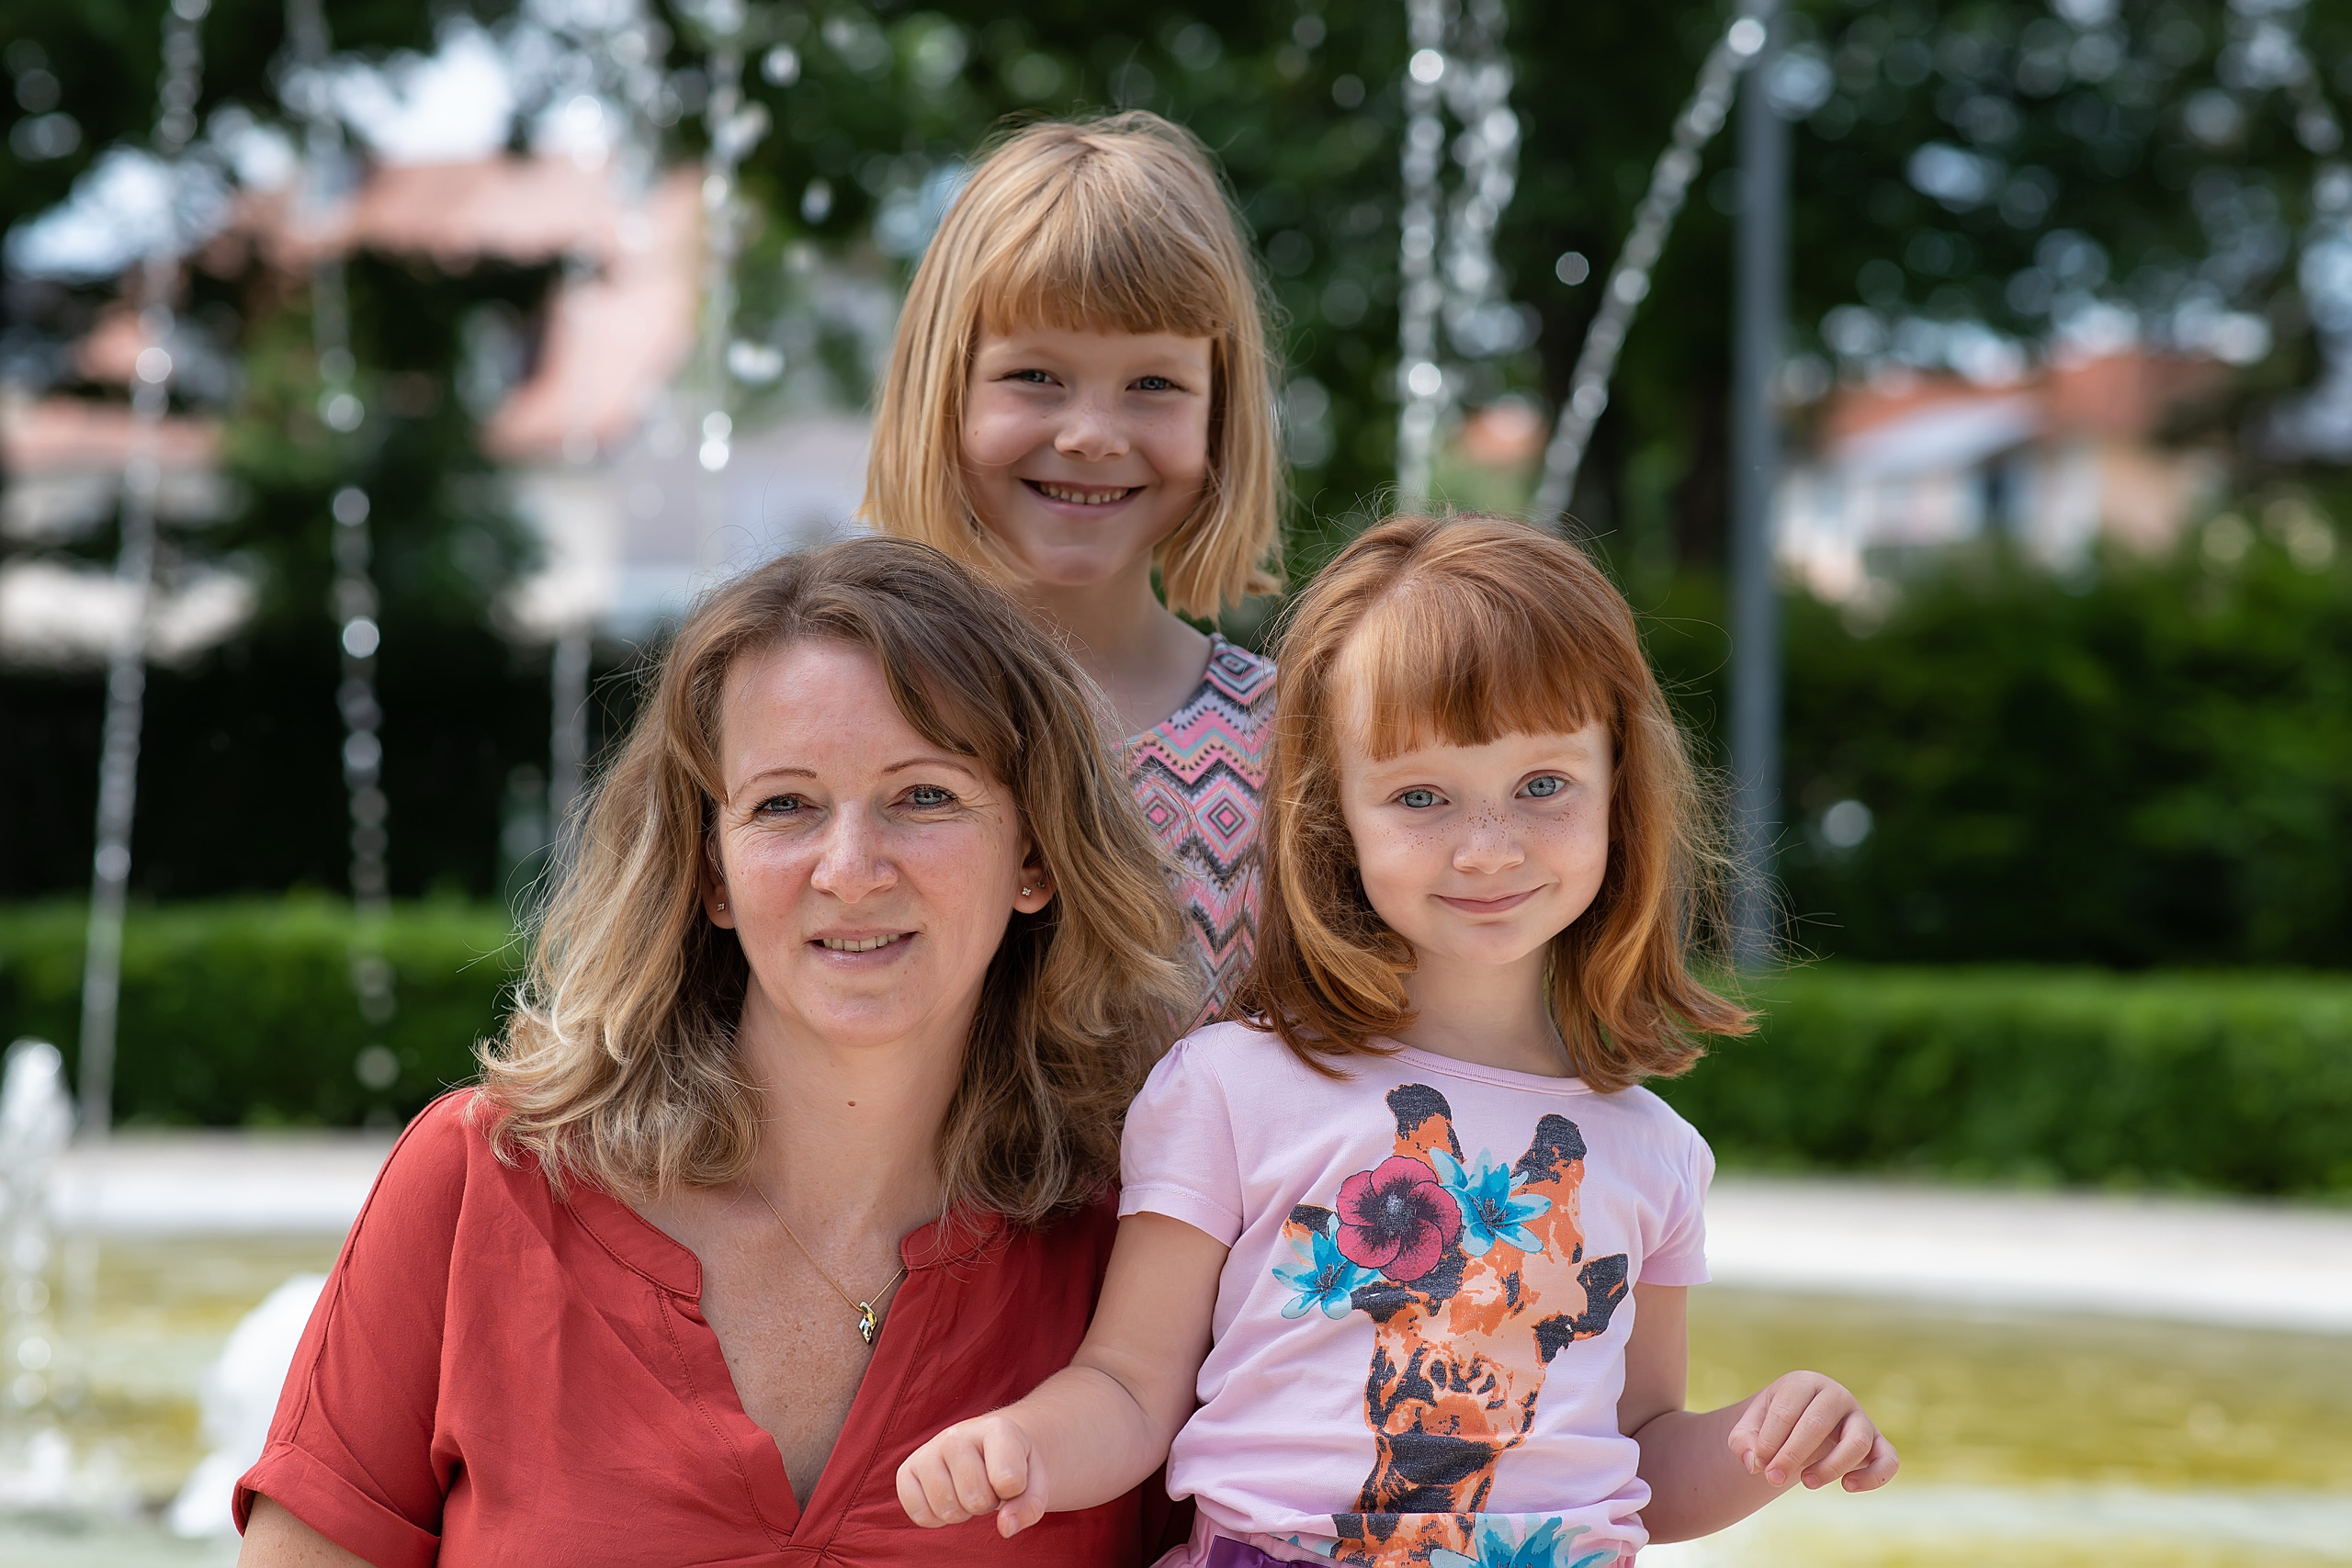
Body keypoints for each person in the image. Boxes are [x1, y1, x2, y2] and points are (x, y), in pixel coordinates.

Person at [894, 515, 1901, 1566]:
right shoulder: (1231, 1087)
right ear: (1333, 813)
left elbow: (1638, 1458)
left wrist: (1772, 1440)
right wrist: (1023, 1445)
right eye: (1421, 796)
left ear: (1619, 792)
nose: (1486, 847)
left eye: (1543, 785)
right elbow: (1128, 1390)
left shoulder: (1654, 1153)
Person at [233, 537, 1195, 1567]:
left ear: (1035, 855)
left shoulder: (1141, 1260)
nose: (851, 869)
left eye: (925, 796)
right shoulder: (481, 1184)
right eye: (785, 804)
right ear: (714, 876)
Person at [865, 112, 1283, 1014]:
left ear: (1220, 414)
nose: (1092, 435)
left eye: (1154, 385)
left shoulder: (1294, 747)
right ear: (945, 389)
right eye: (1035, 377)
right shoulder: (838, 703)